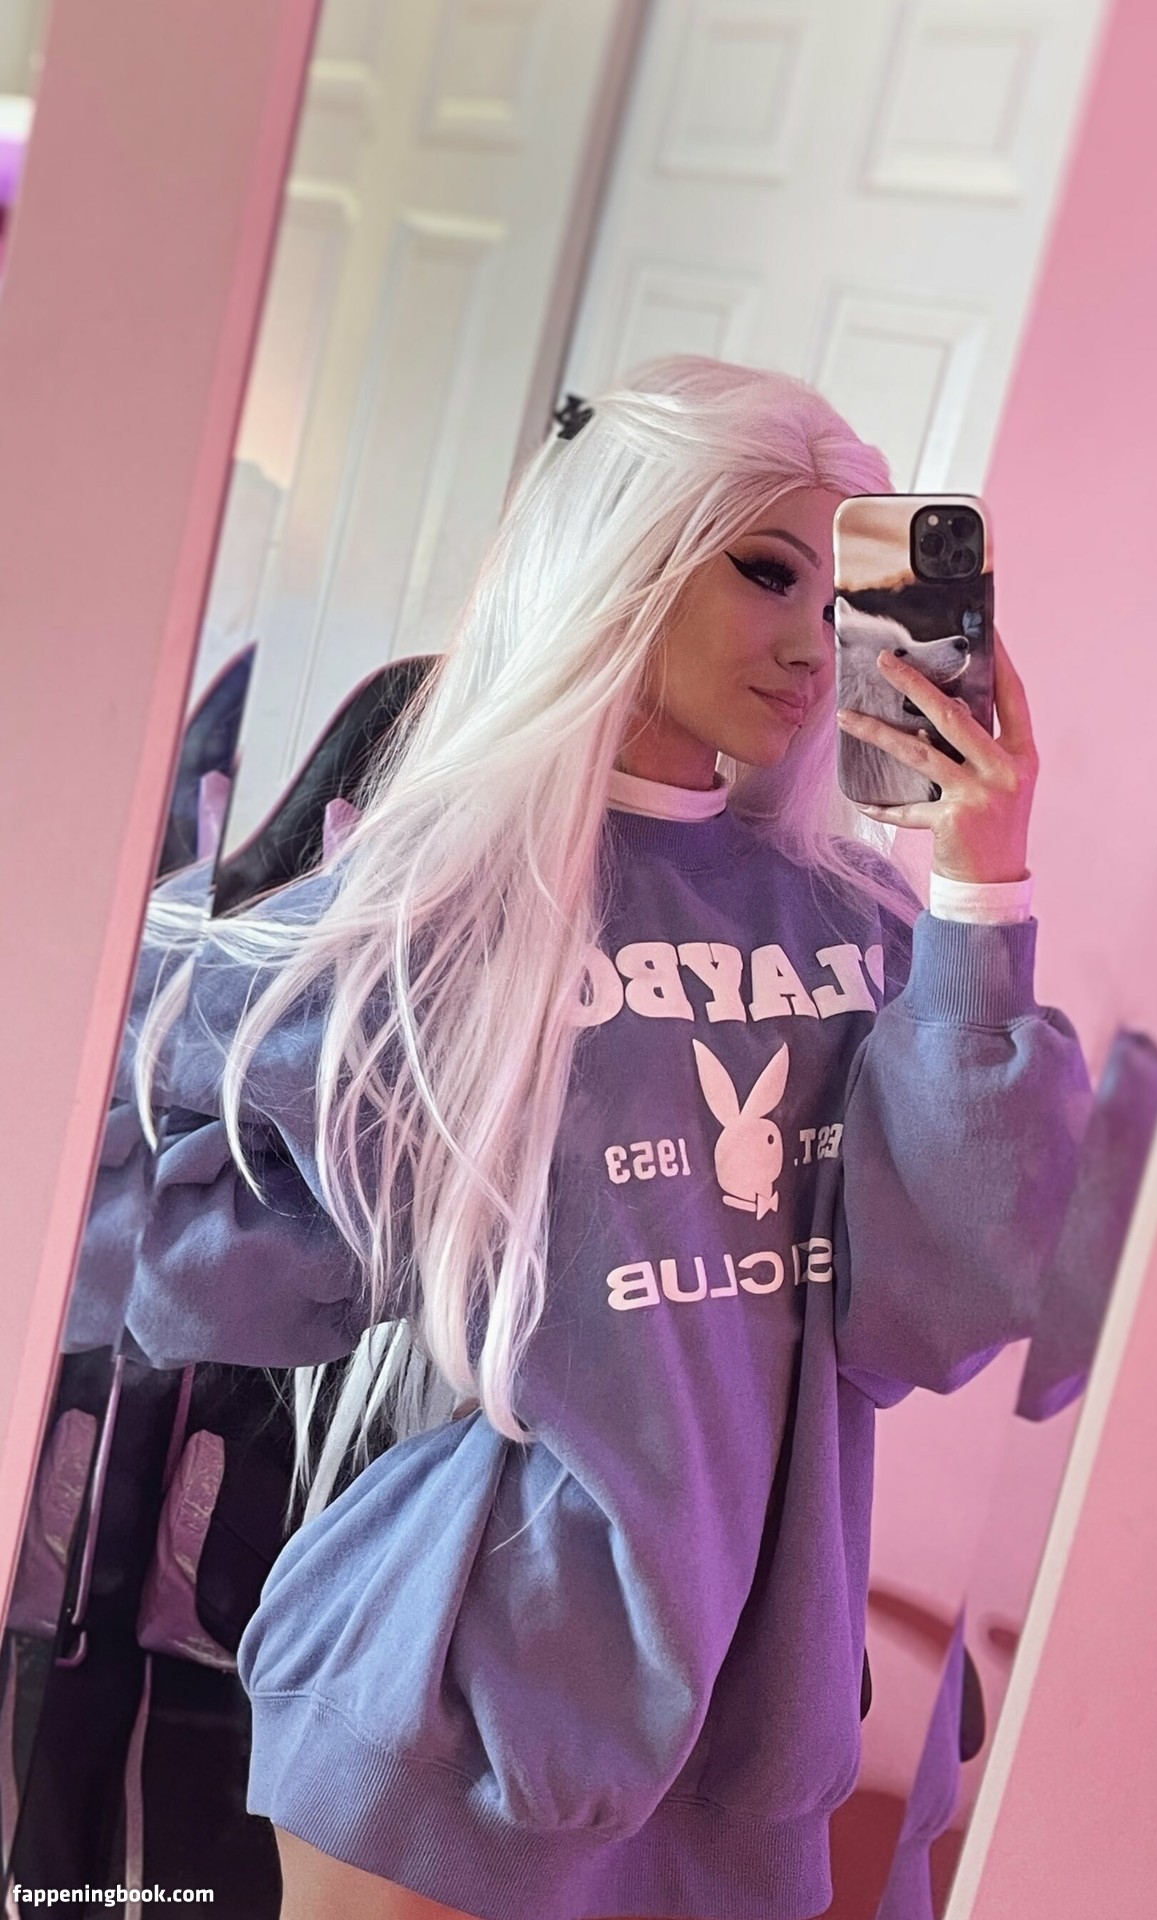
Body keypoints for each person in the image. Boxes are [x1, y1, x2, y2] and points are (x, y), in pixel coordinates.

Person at [121, 356, 1091, 1920]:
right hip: (460, 1706)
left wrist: (984, 885)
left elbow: (928, 1313)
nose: (812, 639)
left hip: (752, 1731)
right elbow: (208, 1259)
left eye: (834, 589)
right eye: (764, 570)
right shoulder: (450, 906)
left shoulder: (858, 927)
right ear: (624, 553)